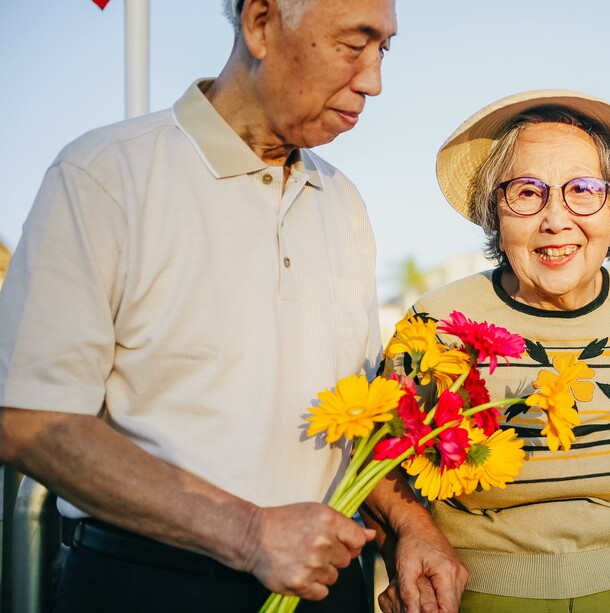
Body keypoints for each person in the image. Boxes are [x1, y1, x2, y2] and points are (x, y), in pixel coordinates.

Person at [0, 1, 467, 611]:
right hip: (147, 584)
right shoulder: (104, 174)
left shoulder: (343, 201)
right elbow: (28, 420)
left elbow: (357, 420)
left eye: (385, 49)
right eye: (356, 44)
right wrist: (250, 534)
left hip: (328, 588)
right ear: (261, 23)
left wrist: (414, 527)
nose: (374, 80)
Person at [381, 90, 610, 612]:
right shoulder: (437, 325)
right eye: (526, 192)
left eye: (582, 190)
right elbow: (379, 464)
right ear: (496, 210)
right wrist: (406, 545)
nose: (556, 219)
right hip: (482, 597)